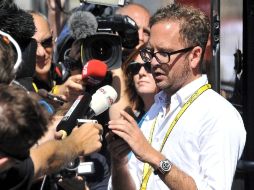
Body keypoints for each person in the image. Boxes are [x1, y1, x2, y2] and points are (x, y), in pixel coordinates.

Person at [106, 3, 246, 190]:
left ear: (195, 56)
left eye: (164, 53)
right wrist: (119, 163)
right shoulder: (156, 109)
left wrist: (153, 156)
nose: (154, 62)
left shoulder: (218, 115)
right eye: (151, 52)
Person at [29, 11, 84, 101]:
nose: (41, 53)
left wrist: (74, 64)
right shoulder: (17, 84)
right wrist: (57, 92)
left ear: (53, 37)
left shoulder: (60, 71)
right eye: (32, 46)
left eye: (46, 42)